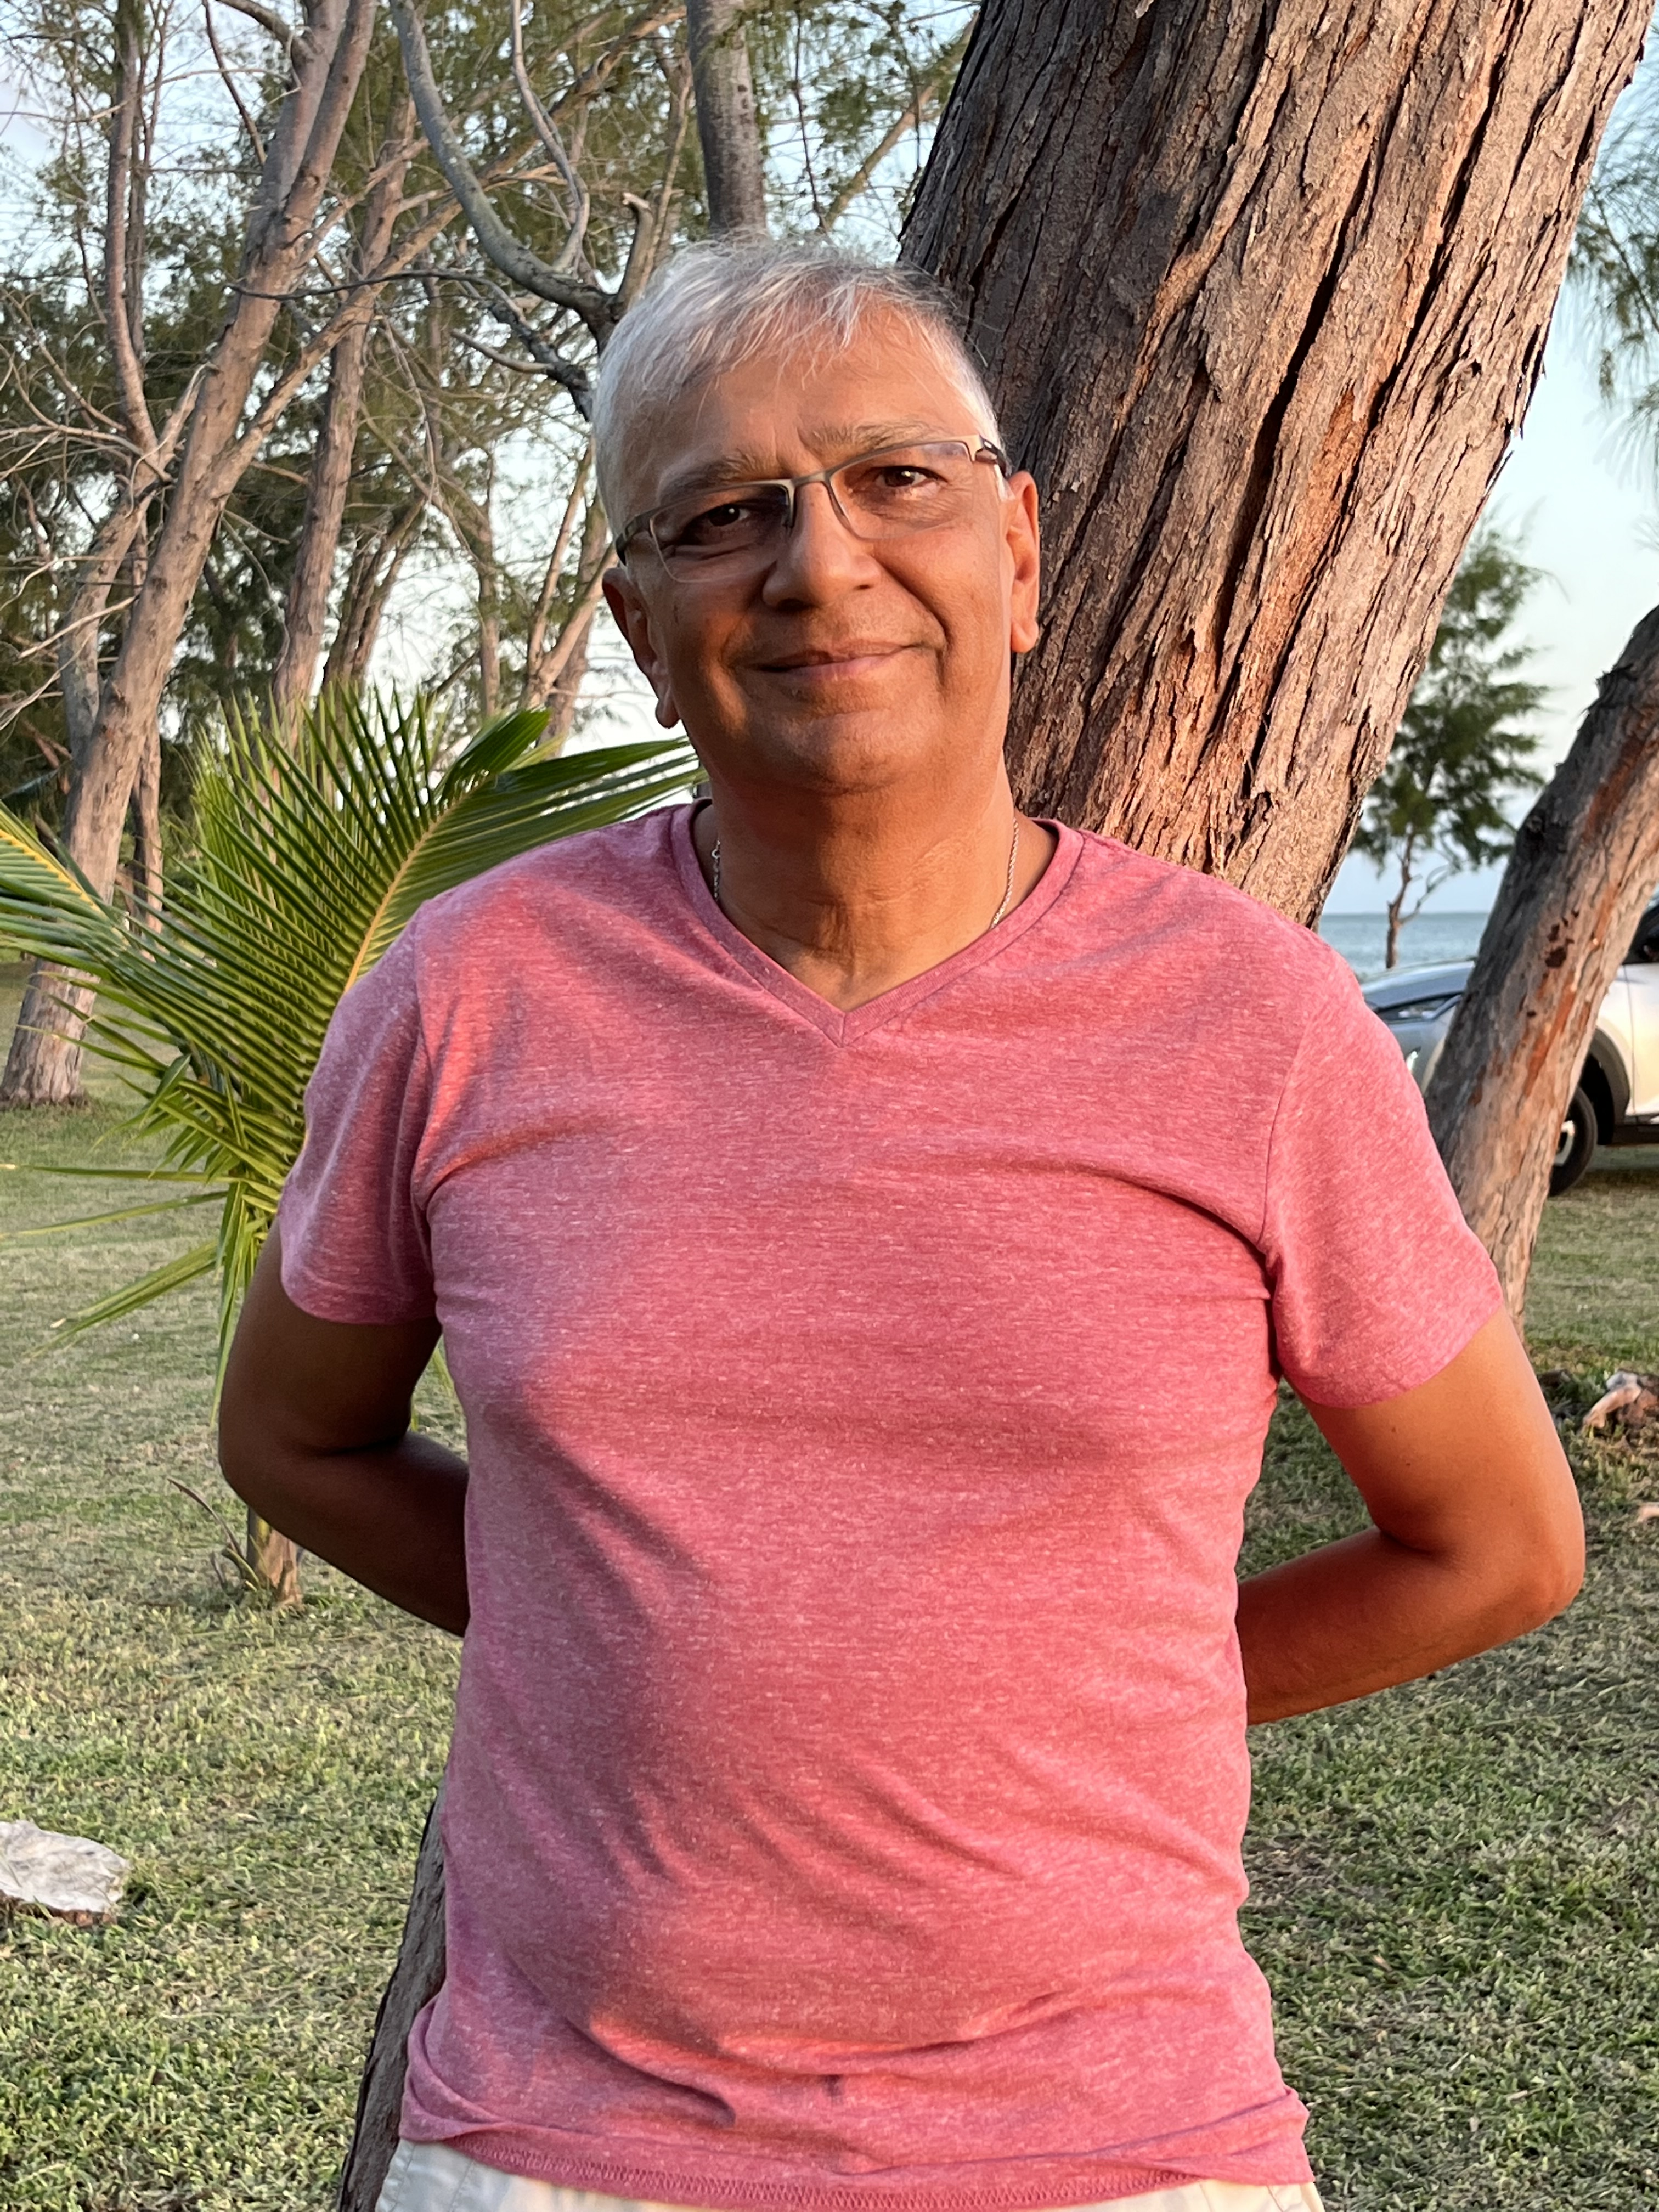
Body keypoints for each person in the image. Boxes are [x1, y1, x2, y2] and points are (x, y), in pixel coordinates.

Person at [218, 240, 1584, 2212]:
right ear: (637, 618)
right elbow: (292, 1437)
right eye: (722, 514)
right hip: (564, 2148)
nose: (820, 565)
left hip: (1131, 2149)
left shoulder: (1256, 1025)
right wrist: (597, 1643)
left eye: (895, 480)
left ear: (1015, 550)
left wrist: (1079, 1710)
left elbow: (1502, 1543)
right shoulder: (471, 996)